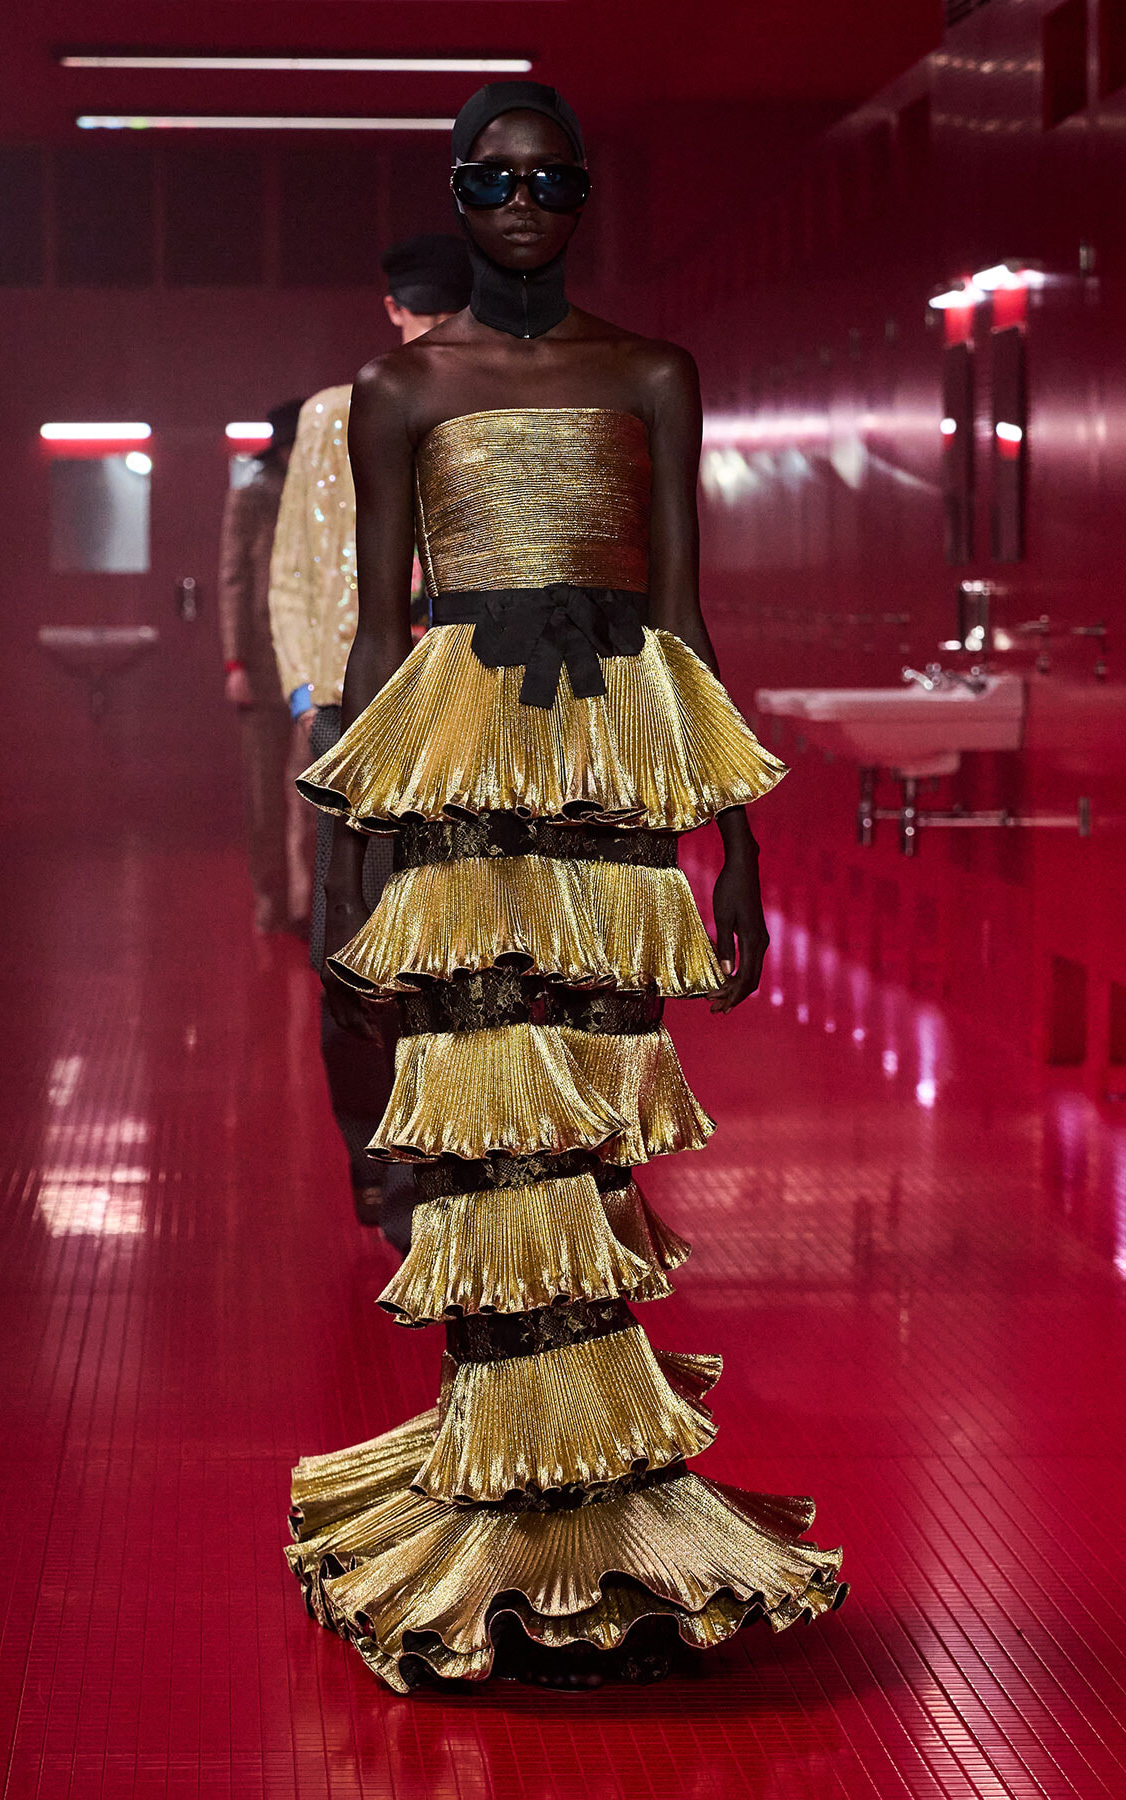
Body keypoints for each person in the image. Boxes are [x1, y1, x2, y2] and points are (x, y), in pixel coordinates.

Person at [284, 82, 847, 1692]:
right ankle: (504, 1505)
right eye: (492, 179)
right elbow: (378, 638)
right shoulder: (399, 389)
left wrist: (738, 841)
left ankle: (606, 1507)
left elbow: (683, 612)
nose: (521, 202)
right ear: (458, 196)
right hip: (464, 759)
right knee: (484, 1112)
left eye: (548, 181)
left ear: (583, 196)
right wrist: (348, 855)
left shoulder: (652, 372)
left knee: (595, 1117)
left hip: (611, 759)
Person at [268, 236, 471, 1236]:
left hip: (468, 703)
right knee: (350, 939)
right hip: (355, 705)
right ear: (391, 311)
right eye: (419, 314)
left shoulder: (496, 409)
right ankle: (374, 1149)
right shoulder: (334, 417)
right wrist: (312, 698)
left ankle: (429, 1172)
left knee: (456, 942)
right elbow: (297, 567)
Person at [217, 398, 314, 935]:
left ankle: (302, 904)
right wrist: (235, 662)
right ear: (283, 448)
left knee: (305, 783)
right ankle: (271, 900)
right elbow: (232, 580)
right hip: (259, 660)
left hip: (306, 664)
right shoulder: (250, 498)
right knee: (262, 792)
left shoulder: (323, 497)